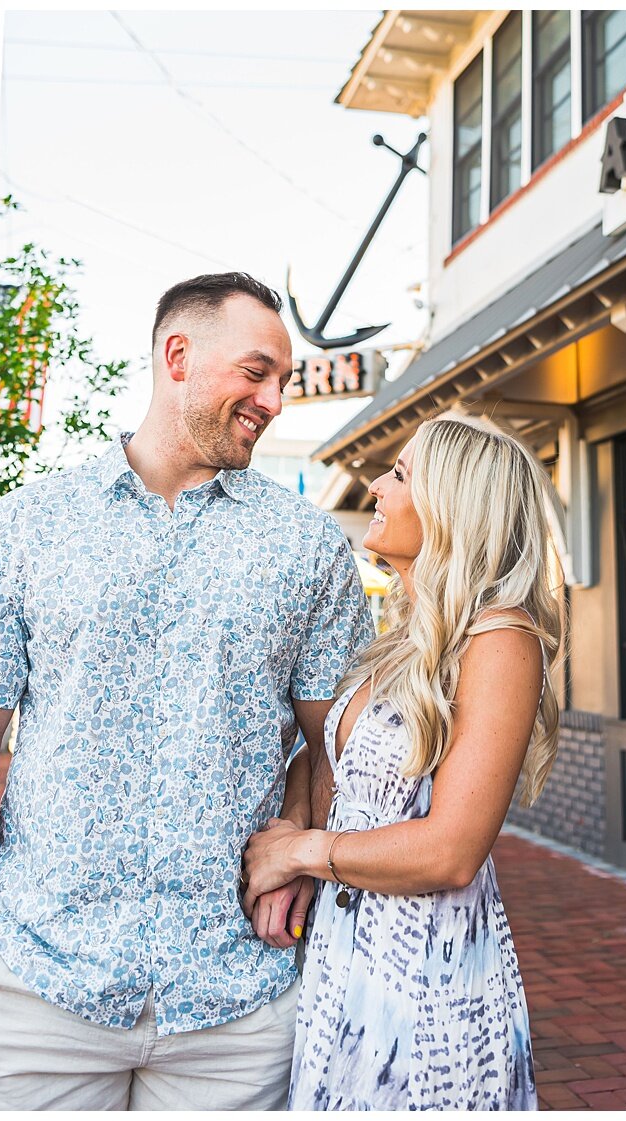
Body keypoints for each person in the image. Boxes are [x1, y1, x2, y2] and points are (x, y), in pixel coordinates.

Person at [0, 272, 374, 1109]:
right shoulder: (27, 525)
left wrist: (300, 841)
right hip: (35, 985)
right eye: (257, 371)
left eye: (283, 381)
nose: (274, 399)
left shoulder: (307, 546)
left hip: (234, 999)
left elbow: (341, 736)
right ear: (177, 355)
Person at [241, 412, 563, 1110]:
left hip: (428, 976)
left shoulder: (500, 638)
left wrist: (301, 852)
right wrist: (293, 833)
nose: (377, 487)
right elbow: (328, 755)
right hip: (346, 955)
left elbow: (451, 850)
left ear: (453, 506)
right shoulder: (404, 633)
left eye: (400, 474)